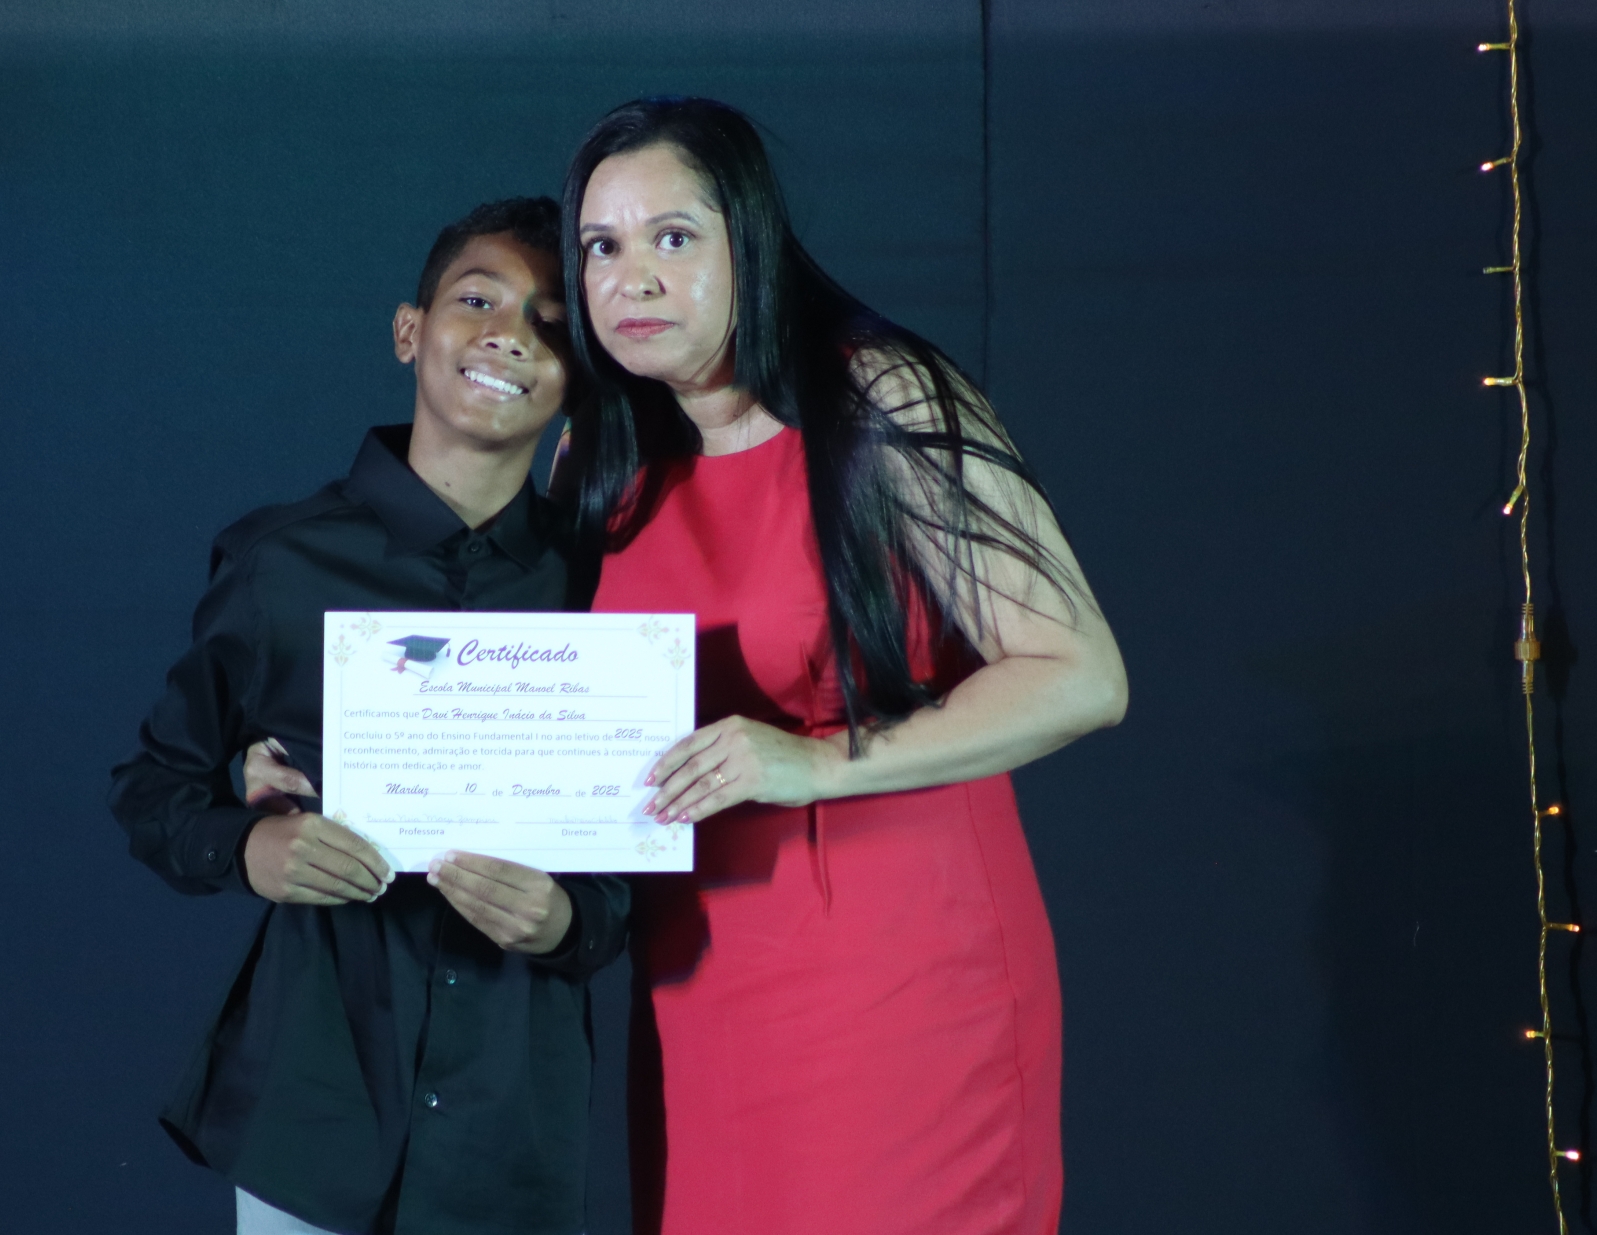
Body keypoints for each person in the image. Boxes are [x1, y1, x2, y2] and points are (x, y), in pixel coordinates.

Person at [561, 98, 1128, 1235]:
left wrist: (813, 761)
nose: (633, 278)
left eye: (674, 236)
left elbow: (1080, 674)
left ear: (750, 238)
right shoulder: (601, 450)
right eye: (602, 247)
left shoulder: (880, 393)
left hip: (898, 967)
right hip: (697, 973)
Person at [109, 197, 631, 1235]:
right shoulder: (282, 561)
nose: (508, 334)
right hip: (315, 1105)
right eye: (476, 300)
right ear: (409, 330)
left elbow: (637, 859)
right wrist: (250, 845)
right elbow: (154, 788)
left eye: (549, 323)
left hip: (509, 1118)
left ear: (579, 376)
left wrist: (570, 920)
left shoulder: (604, 585)